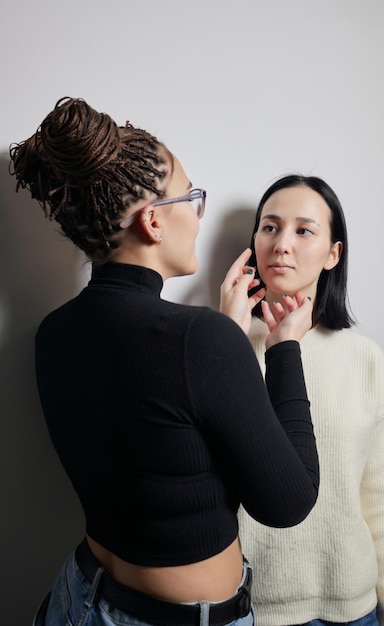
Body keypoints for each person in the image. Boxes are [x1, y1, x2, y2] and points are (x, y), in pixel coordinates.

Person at [9, 98, 320, 626]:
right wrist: (282, 348)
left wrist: (223, 338)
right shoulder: (199, 339)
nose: (199, 217)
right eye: (192, 198)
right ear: (153, 221)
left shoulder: (52, 334)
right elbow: (288, 502)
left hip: (78, 599)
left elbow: (167, 454)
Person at [236, 175, 384, 626]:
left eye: (304, 230)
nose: (281, 244)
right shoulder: (223, 347)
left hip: (354, 609)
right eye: (269, 227)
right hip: (251, 609)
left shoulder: (364, 357)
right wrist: (228, 341)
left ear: (334, 253)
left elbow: (381, 495)